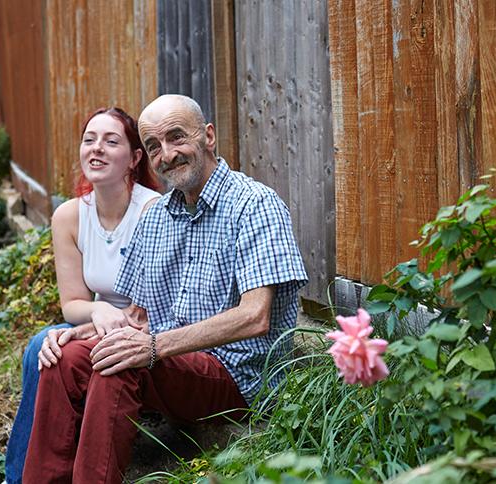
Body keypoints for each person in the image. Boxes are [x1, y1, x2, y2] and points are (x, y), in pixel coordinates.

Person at [22, 94, 307, 483]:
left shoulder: (254, 204)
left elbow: (255, 317)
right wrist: (80, 333)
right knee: (63, 357)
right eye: (154, 145)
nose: (167, 154)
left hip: (239, 377)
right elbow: (137, 317)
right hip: (176, 368)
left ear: (208, 136)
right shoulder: (157, 215)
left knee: (120, 363)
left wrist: (154, 347)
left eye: (176, 137)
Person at [3, 107, 162, 484]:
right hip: (95, 322)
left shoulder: (153, 211)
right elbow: (72, 302)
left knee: (50, 346)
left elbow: (158, 303)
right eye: (89, 140)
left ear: (135, 158)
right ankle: (19, 475)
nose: (97, 149)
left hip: (146, 329)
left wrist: (112, 320)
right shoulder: (69, 216)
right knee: (43, 344)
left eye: (111, 141)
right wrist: (98, 310)